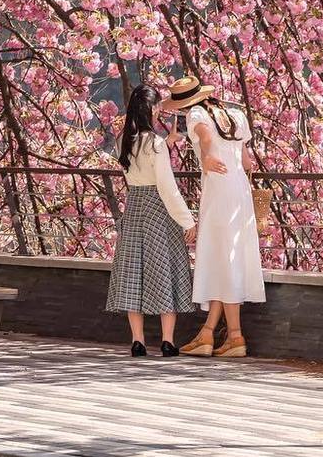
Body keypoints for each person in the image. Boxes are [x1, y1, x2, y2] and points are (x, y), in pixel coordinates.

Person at [164, 74, 265, 358]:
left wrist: (207, 156)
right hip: (240, 192)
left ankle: (235, 336)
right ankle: (209, 333)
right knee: (227, 260)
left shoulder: (196, 114)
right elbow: (246, 161)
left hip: (219, 190)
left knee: (222, 259)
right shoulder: (235, 115)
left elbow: (206, 137)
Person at [105, 84, 195, 356]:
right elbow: (167, 187)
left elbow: (140, 164)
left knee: (134, 271)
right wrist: (187, 220)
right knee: (164, 268)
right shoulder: (156, 144)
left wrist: (166, 145)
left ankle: (138, 340)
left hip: (134, 207)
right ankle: (167, 340)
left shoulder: (124, 140)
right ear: (153, 109)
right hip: (158, 209)